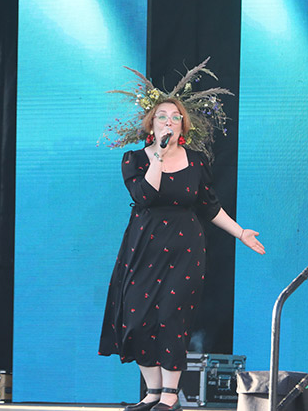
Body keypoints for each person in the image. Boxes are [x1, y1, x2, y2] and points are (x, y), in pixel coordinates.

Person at [99, 98, 265, 411]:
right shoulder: (135, 159)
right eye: (162, 116)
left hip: (184, 249)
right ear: (151, 125)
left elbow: (209, 206)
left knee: (171, 317)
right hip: (143, 247)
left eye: (175, 117)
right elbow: (144, 195)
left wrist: (240, 232)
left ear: (183, 126)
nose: (169, 122)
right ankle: (152, 392)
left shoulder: (196, 161)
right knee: (136, 318)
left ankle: (170, 396)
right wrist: (159, 156)